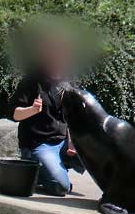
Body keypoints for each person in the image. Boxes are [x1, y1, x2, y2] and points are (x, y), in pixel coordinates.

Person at [6, 33, 82, 196]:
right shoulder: (32, 81)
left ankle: (57, 165)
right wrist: (32, 110)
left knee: (95, 155)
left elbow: (73, 117)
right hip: (39, 144)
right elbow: (13, 114)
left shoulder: (69, 81)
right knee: (61, 187)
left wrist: (72, 142)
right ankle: (35, 168)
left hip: (62, 142)